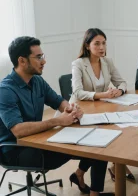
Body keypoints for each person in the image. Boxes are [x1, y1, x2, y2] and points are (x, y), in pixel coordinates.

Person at [0, 36, 114, 196]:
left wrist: (72, 109)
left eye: (43, 56)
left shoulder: (37, 81)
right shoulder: (5, 91)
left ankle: (93, 191)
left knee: (100, 142)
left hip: (38, 140)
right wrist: (58, 121)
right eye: (38, 57)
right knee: (94, 147)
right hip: (17, 151)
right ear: (22, 60)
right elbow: (18, 130)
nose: (44, 61)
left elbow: (58, 101)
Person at [71, 28, 134, 181]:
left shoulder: (107, 62)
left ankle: (81, 174)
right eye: (97, 44)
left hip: (101, 108)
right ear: (87, 46)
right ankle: (114, 166)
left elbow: (122, 82)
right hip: (81, 111)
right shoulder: (78, 64)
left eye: (104, 43)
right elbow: (77, 92)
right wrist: (102, 95)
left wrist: (119, 91)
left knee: (116, 132)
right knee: (102, 142)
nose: (102, 48)